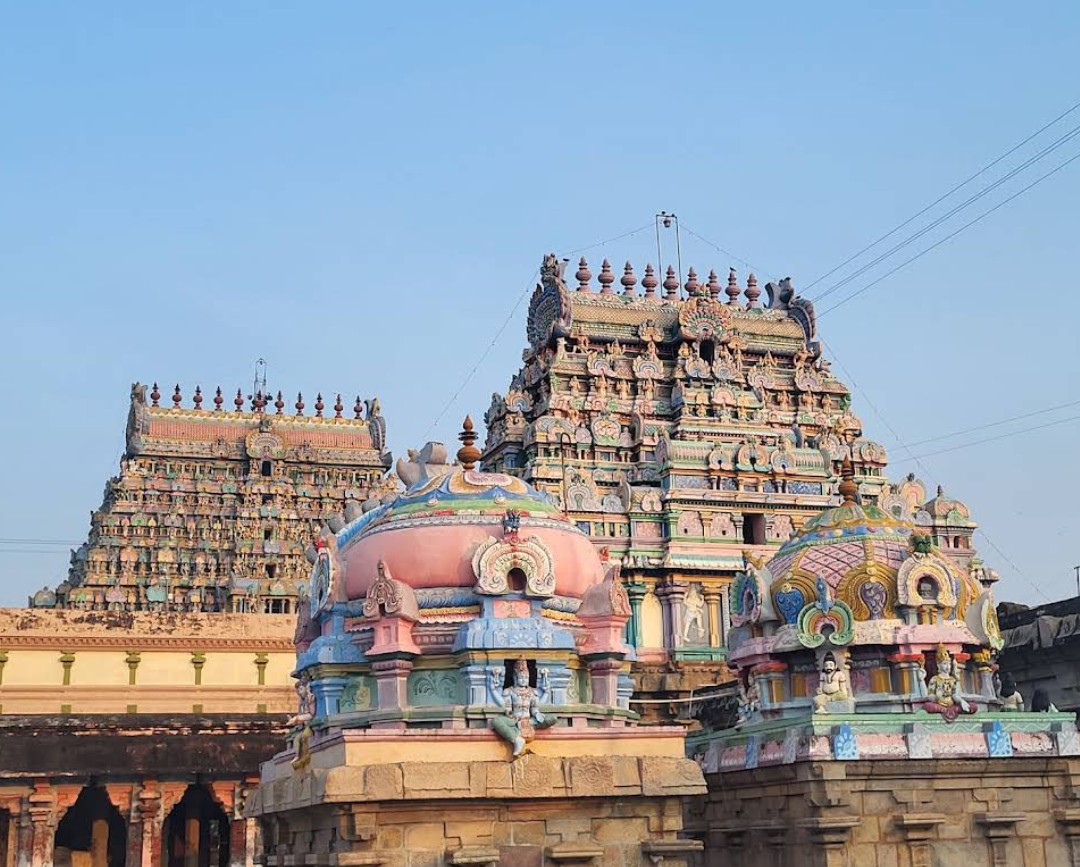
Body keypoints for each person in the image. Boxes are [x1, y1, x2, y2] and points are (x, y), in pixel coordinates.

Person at [490, 658, 555, 758]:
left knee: (553, 718)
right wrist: (493, 690)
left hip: (530, 721)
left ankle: (522, 730)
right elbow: (505, 706)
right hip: (514, 720)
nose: (524, 680)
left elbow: (535, 709)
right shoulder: (510, 691)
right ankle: (516, 739)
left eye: (526, 677)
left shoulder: (532, 692)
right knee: (496, 721)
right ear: (515, 678)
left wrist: (546, 693)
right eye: (521, 677)